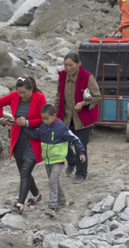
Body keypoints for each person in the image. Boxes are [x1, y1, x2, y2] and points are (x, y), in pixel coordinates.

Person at [0, 77, 47, 215]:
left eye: (24, 92)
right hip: (18, 140)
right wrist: (0, 118)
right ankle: (36, 194)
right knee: (24, 172)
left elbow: (44, 119)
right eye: (19, 92)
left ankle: (20, 203)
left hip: (34, 139)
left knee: (25, 171)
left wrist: (27, 123)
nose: (21, 95)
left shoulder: (39, 98)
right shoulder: (14, 96)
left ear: (31, 90)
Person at [27, 104, 86, 217]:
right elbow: (36, 134)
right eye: (43, 118)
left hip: (58, 161)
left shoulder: (61, 127)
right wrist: (24, 128)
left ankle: (52, 207)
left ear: (54, 116)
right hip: (47, 161)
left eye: (47, 118)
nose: (44, 121)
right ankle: (63, 202)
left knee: (52, 182)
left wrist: (81, 152)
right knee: (54, 182)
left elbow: (75, 139)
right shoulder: (43, 126)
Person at [53, 52, 100, 184]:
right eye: (65, 65)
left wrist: (84, 103)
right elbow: (58, 96)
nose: (68, 68)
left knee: (81, 146)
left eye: (71, 65)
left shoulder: (87, 77)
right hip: (66, 118)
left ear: (78, 64)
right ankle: (72, 161)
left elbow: (97, 96)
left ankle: (81, 173)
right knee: (61, 142)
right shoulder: (62, 77)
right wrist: (54, 116)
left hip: (83, 119)